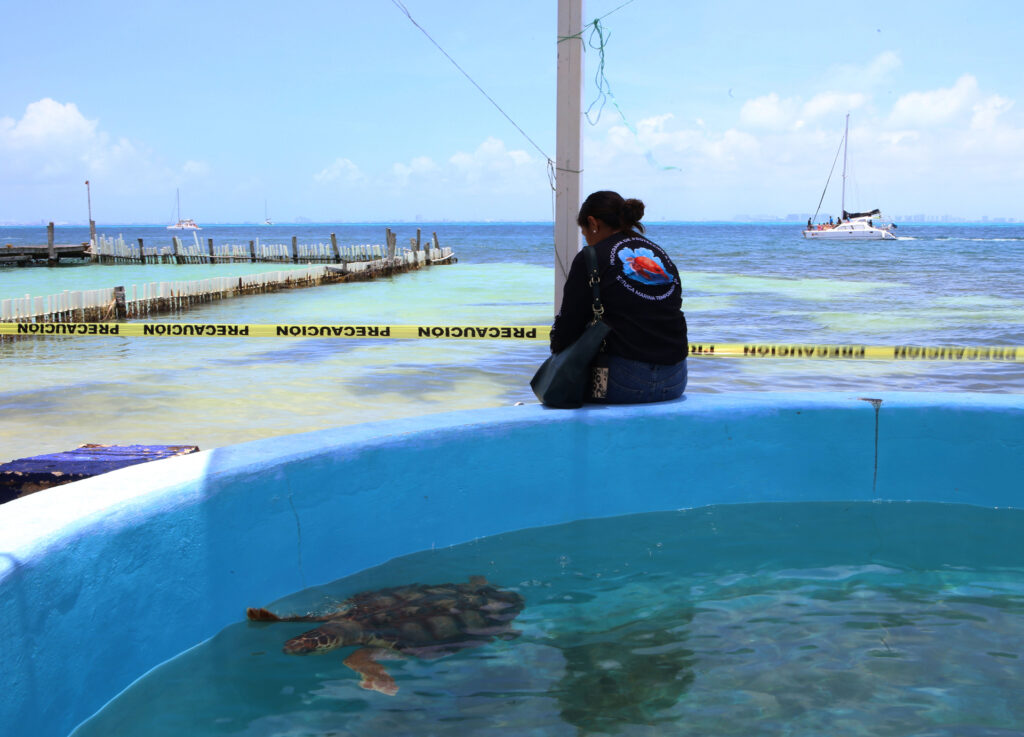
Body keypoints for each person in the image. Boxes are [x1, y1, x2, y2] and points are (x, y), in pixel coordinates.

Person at [548, 191, 688, 404]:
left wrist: (556, 353)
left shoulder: (591, 257)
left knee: (559, 382)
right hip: (676, 379)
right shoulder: (659, 254)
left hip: (622, 383)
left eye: (585, 232)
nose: (587, 239)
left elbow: (569, 325)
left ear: (593, 222)